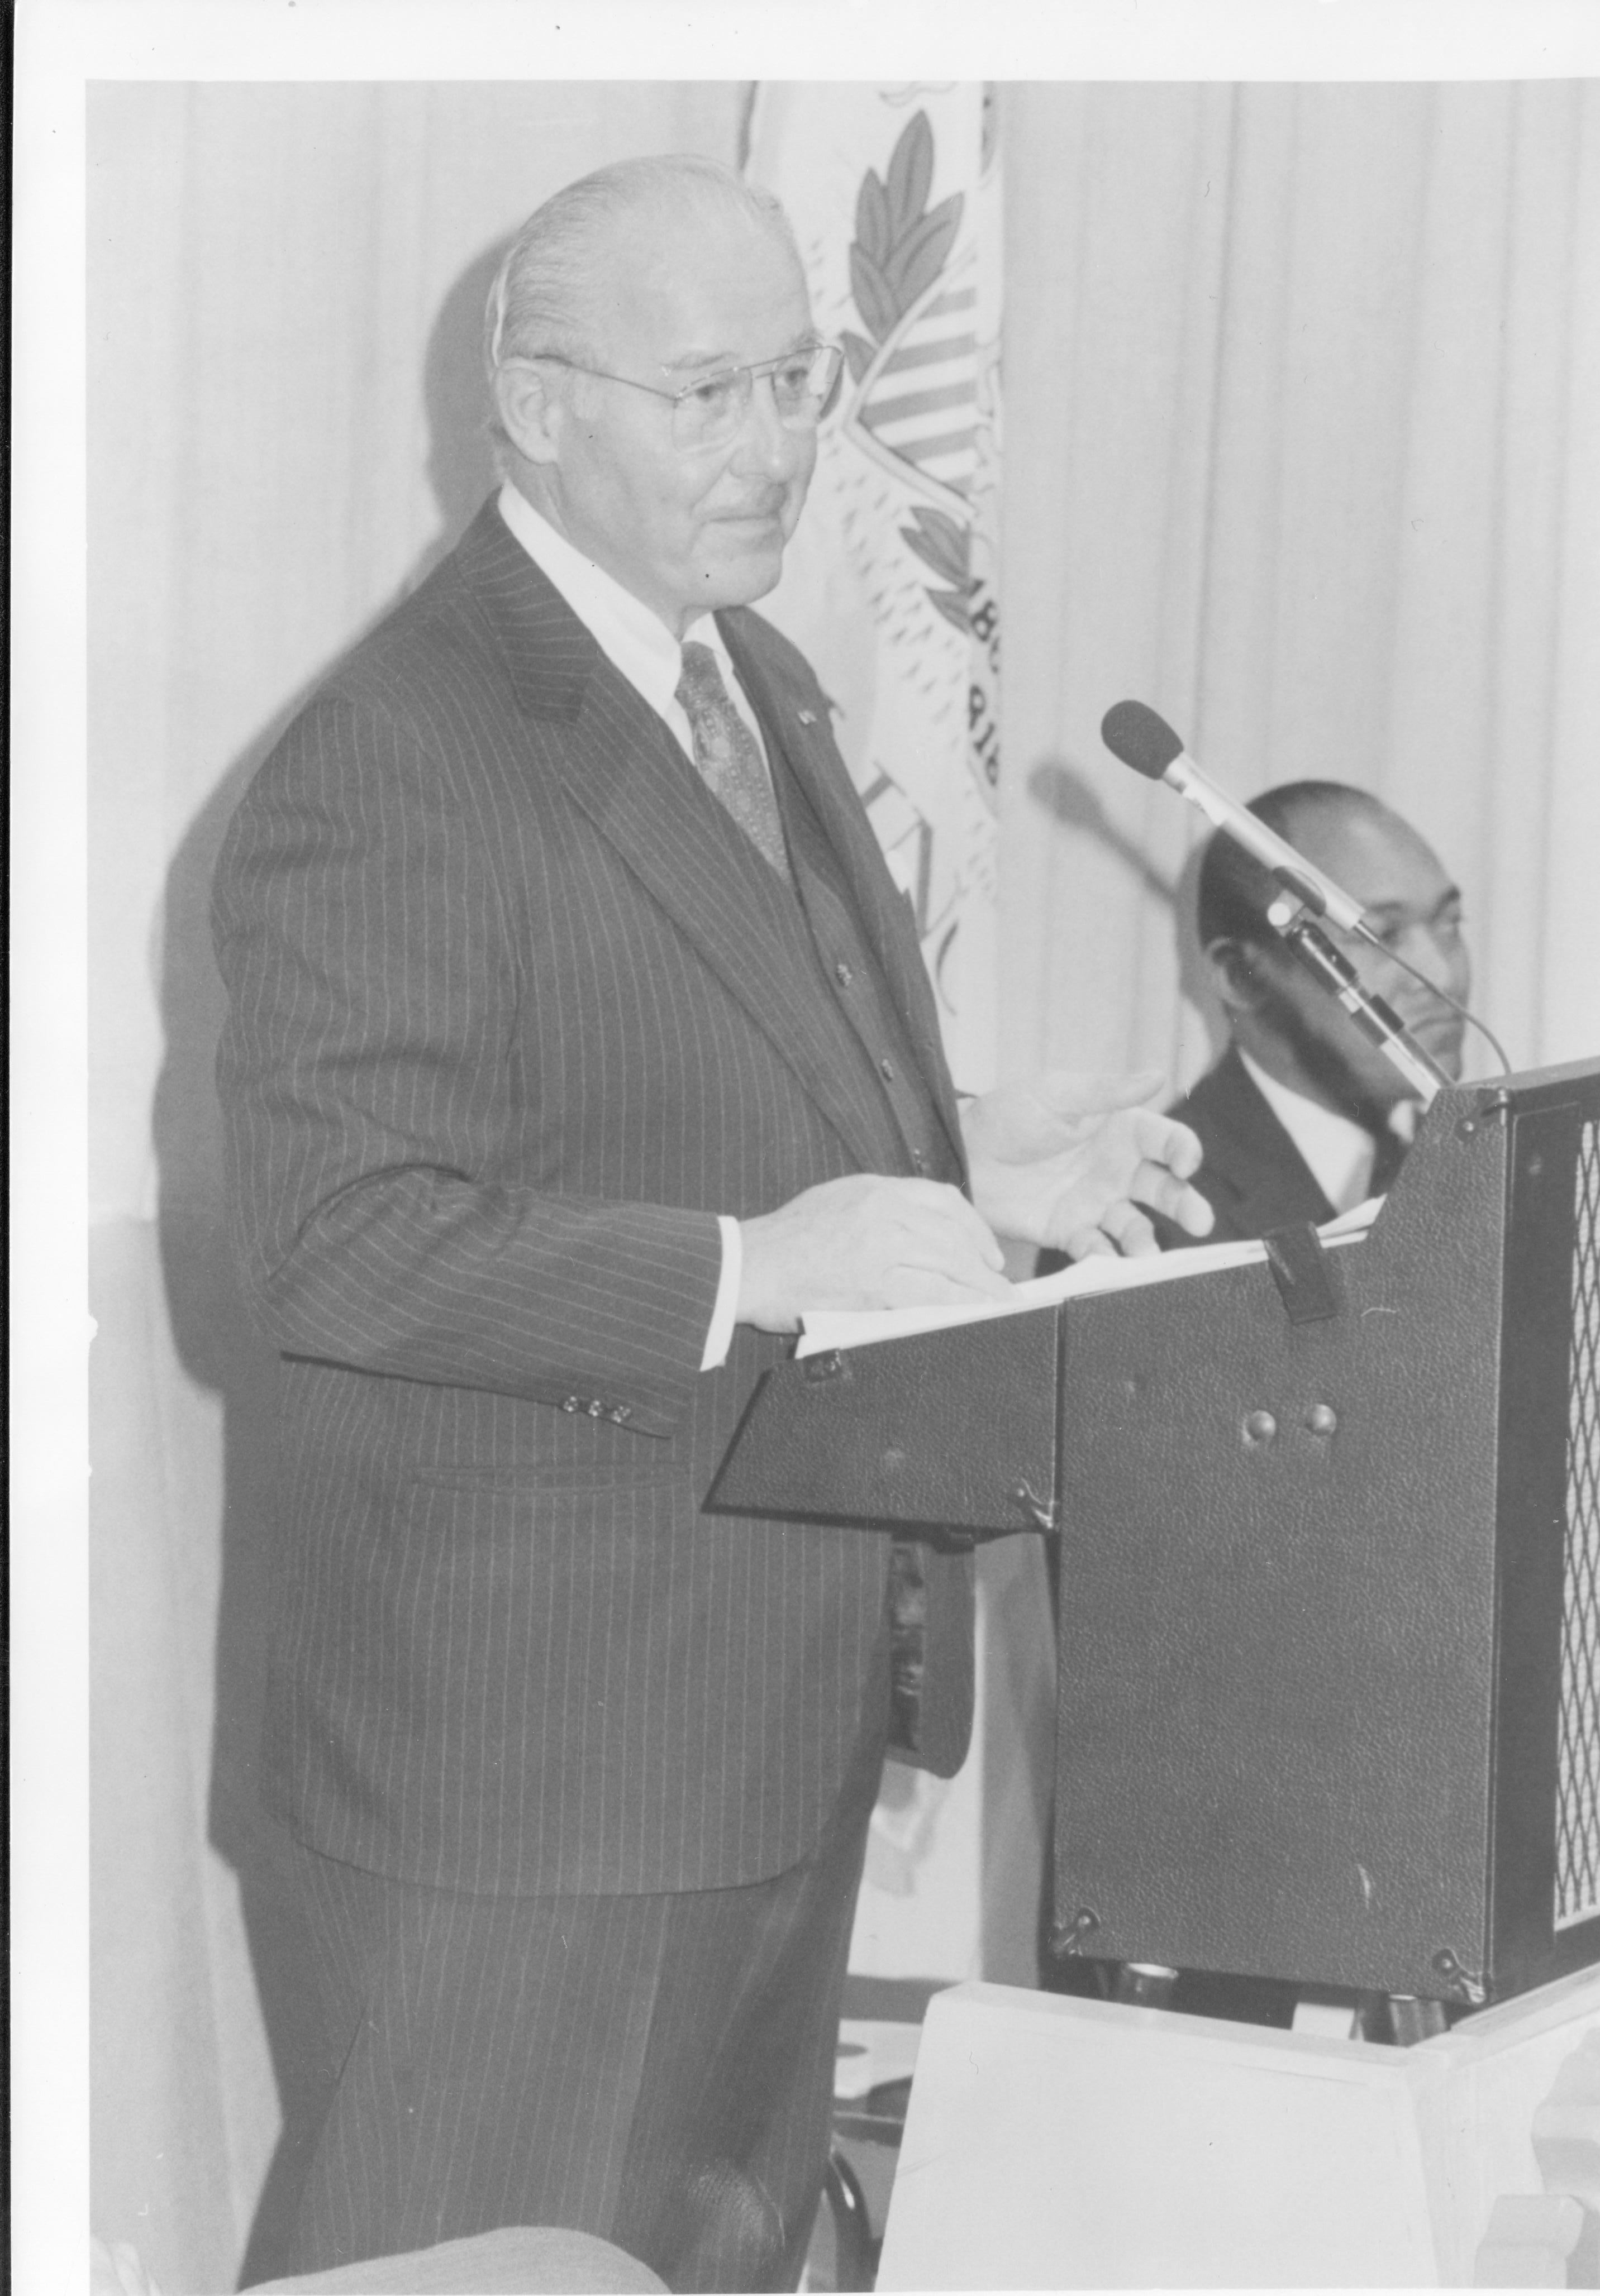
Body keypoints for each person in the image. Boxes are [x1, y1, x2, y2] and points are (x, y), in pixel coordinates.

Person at [212, 154, 1211, 2292]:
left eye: (800, 378)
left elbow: (726, 1080)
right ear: (539, 403)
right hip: (530, 1788)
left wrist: (971, 1175)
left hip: (757, 1719)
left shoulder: (741, 669)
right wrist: (767, 1263)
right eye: (708, 393)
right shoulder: (391, 753)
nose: (776, 444)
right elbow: (339, 1240)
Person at [1157, 780, 1470, 1245]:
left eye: (1449, 924)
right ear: (1242, 975)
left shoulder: (1468, 1157)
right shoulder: (1158, 1214)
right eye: (1380, 935)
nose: (1442, 976)